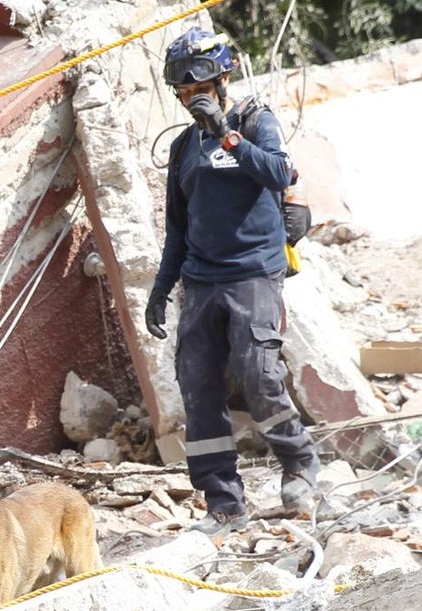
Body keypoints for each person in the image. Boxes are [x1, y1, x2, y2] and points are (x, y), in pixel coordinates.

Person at [145, 27, 319, 534]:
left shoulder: (254, 120)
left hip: (253, 274)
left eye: (198, 85)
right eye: (181, 89)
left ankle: (300, 466)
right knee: (197, 389)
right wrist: (161, 288)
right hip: (200, 282)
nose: (189, 96)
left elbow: (280, 173)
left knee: (258, 375)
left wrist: (227, 133)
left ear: (224, 78)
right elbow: (178, 226)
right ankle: (223, 503)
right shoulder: (182, 149)